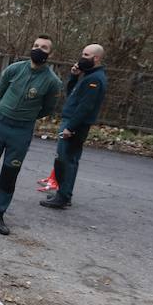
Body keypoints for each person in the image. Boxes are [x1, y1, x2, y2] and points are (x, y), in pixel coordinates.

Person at [0, 35, 61, 236]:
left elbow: (48, 108)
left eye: (44, 47)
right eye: (36, 45)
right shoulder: (14, 69)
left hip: (22, 130)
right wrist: (1, 109)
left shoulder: (52, 82)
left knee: (9, 172)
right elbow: (1, 88)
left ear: (50, 53)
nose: (39, 49)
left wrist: (27, 116)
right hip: (0, 124)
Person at [41, 43, 108, 209]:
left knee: (66, 160)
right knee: (68, 159)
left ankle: (62, 197)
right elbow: (72, 95)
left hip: (75, 125)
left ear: (96, 58)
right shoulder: (87, 75)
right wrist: (73, 77)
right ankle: (64, 194)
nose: (82, 58)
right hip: (72, 121)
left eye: (86, 55)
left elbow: (85, 107)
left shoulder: (95, 79)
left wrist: (70, 127)